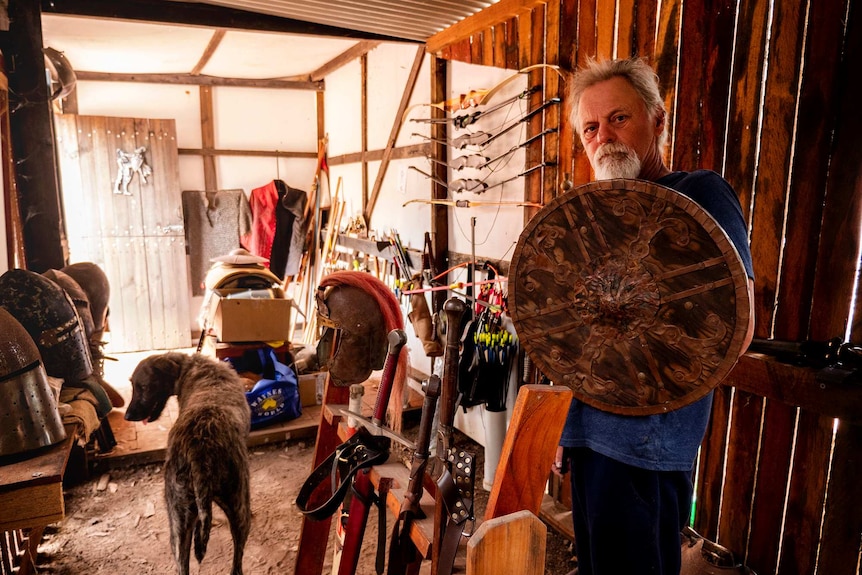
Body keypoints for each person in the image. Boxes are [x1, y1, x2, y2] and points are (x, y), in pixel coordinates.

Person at [552, 57, 756, 574]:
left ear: (658, 120)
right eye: (591, 128)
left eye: (619, 118)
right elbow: (563, 330)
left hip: (648, 444)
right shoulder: (588, 214)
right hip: (587, 431)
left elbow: (737, 321)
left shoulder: (699, 194)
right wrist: (562, 423)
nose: (604, 137)